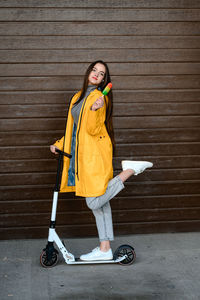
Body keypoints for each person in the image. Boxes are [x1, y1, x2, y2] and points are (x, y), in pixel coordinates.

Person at [50, 60, 153, 261]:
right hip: (83, 156)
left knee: (94, 201)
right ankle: (105, 249)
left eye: (102, 73)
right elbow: (72, 131)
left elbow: (91, 129)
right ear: (88, 72)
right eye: (94, 70)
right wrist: (60, 144)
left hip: (94, 156)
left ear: (104, 80)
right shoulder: (77, 97)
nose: (97, 74)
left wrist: (95, 111)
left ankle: (129, 171)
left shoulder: (98, 98)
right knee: (100, 204)